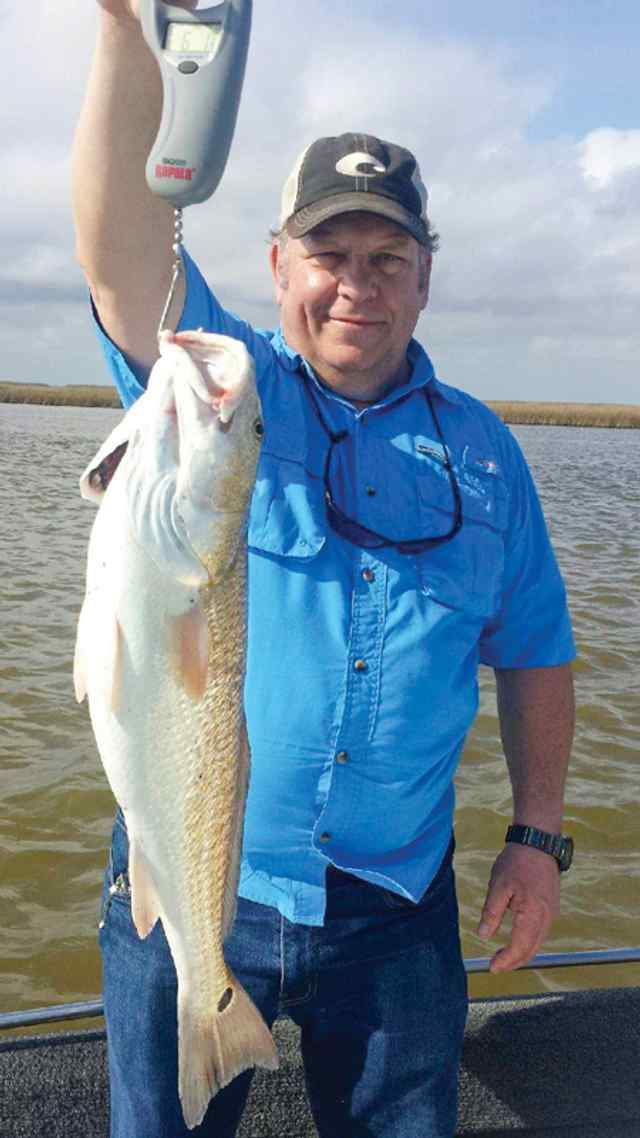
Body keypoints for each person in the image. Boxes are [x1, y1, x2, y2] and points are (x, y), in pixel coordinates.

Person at [72, 3, 576, 1136]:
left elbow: (537, 650)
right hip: (203, 875)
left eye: (386, 258)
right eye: (329, 255)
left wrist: (536, 837)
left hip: (397, 906)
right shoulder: (228, 391)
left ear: (424, 278)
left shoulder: (488, 454)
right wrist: (117, 32)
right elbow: (118, 251)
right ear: (276, 266)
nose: (357, 284)